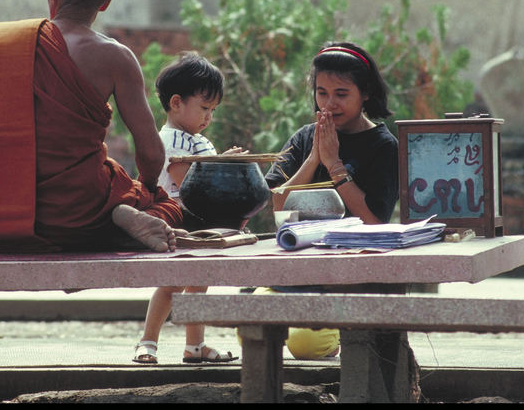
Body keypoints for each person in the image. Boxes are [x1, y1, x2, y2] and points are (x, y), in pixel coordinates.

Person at [0, 0, 188, 253]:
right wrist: (147, 191)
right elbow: (151, 152)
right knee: (169, 209)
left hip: (7, 213)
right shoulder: (115, 56)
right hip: (85, 209)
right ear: (107, 0)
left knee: (15, 218)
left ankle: (114, 220)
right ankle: (116, 218)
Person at [262, 41, 399, 359]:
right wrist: (313, 159)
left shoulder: (383, 146)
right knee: (252, 329)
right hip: (296, 271)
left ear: (365, 93)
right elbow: (276, 205)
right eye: (322, 93)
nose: (330, 103)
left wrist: (336, 166)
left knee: (306, 346)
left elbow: (375, 223)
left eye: (341, 94)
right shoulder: (304, 137)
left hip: (351, 278)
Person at [133, 52, 244, 364]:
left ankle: (195, 347)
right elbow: (190, 183)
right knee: (171, 285)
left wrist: (222, 161)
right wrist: (221, 167)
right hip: (179, 220)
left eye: (213, 110)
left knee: (197, 285)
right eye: (204, 108)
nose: (209, 117)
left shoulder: (193, 138)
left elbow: (203, 172)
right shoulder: (172, 140)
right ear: (177, 103)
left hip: (198, 222)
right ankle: (147, 342)